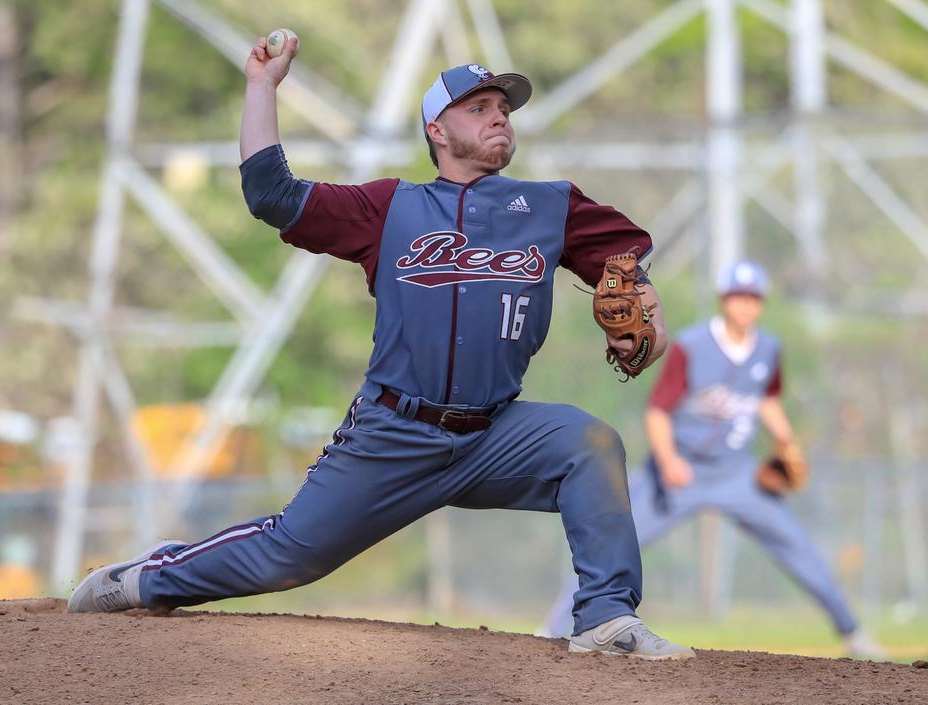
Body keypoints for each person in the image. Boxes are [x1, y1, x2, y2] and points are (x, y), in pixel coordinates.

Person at [68, 35, 694, 660]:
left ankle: (608, 619)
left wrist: (648, 311)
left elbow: (623, 260)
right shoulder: (390, 209)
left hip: (496, 431)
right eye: (478, 108)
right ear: (437, 131)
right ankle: (147, 579)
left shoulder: (552, 206)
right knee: (288, 556)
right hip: (395, 432)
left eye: (503, 106)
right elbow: (272, 195)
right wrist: (262, 85)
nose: (499, 115)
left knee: (589, 444)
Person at [542, 260, 886, 659]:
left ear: (760, 304)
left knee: (798, 547)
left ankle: (854, 633)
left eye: (752, 298)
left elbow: (767, 400)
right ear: (725, 302)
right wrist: (669, 460)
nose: (745, 306)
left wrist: (787, 440)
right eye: (738, 297)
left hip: (735, 473)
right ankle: (552, 627)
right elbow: (657, 412)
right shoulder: (693, 345)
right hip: (677, 471)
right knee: (612, 544)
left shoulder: (767, 349)